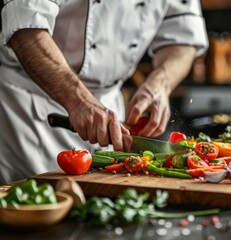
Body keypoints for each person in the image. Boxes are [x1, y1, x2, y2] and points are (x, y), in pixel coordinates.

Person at [0, 1, 208, 184]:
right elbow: (26, 30)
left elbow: (183, 38)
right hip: (30, 109)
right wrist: (79, 99)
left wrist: (161, 83)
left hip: (110, 108)